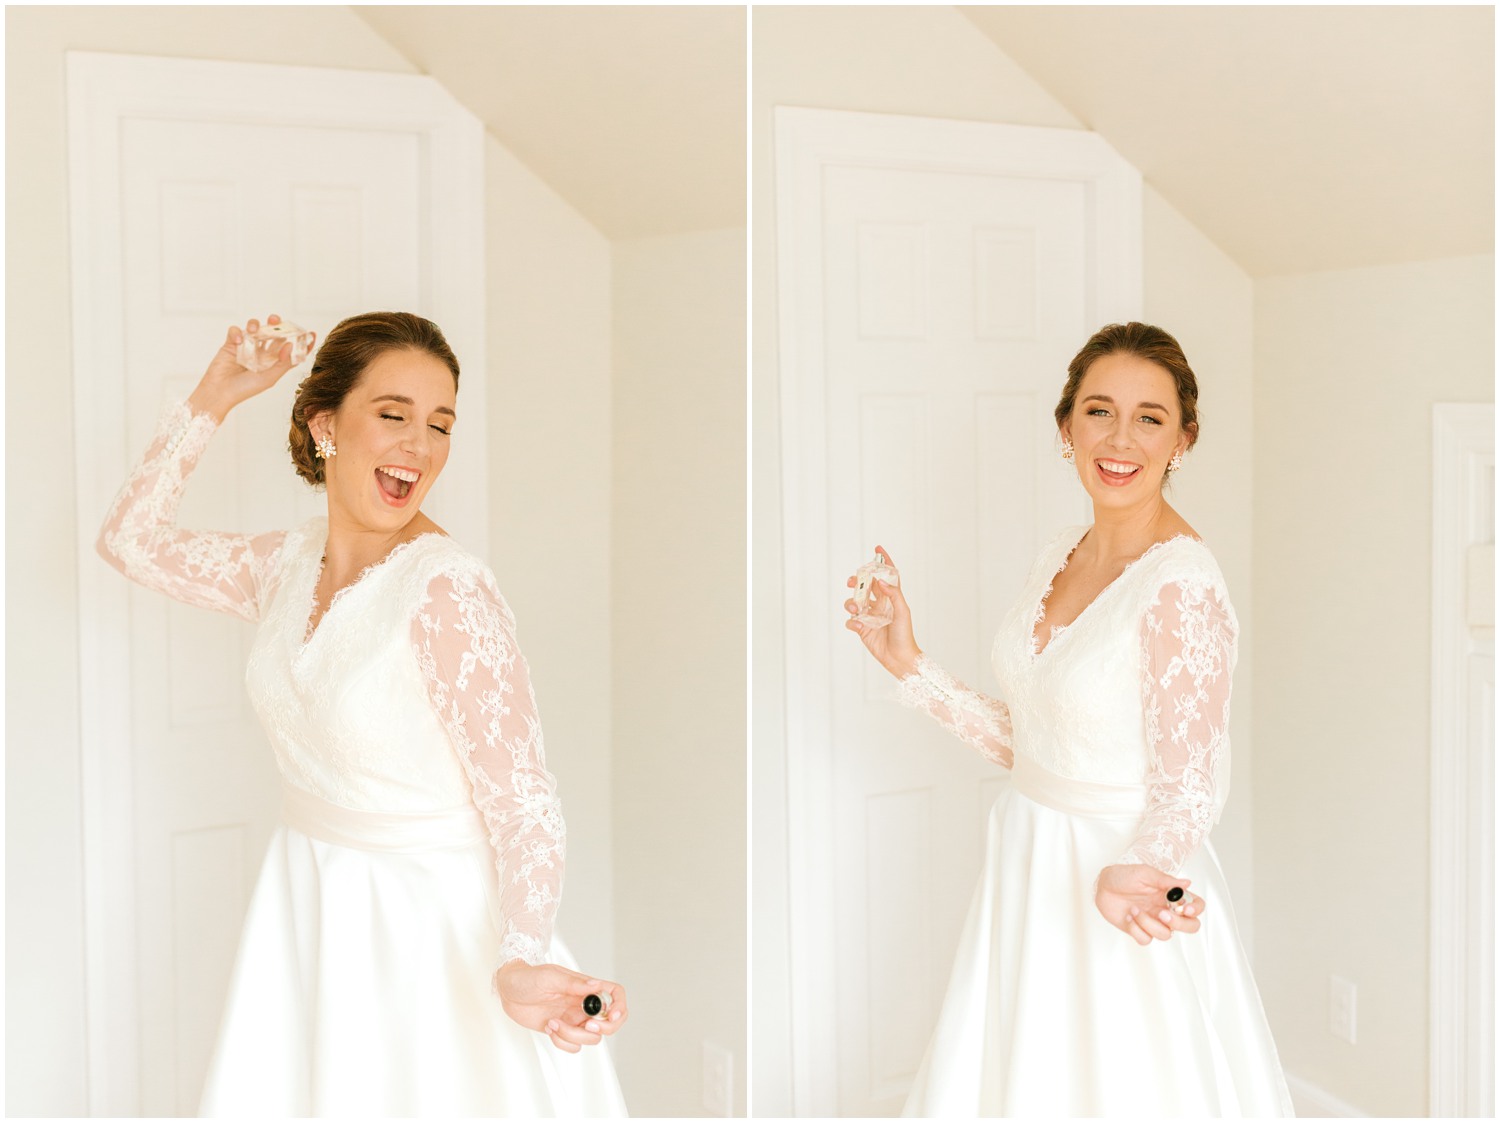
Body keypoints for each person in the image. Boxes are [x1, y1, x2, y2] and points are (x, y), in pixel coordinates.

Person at [98, 313, 628, 1116]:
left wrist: (521, 956)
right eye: (393, 414)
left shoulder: (446, 590)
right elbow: (129, 541)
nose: (419, 444)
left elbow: (524, 800)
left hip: (427, 934)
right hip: (310, 902)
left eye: (440, 424)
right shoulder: (284, 565)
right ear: (326, 425)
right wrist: (216, 393)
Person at [845, 323, 1292, 1117]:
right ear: (1065, 429)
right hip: (1028, 855)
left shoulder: (1179, 583)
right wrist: (911, 663)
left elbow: (1191, 782)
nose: (1120, 438)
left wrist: (1140, 870)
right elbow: (1043, 742)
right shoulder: (1062, 549)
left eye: (1150, 417)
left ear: (1183, 438)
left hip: (1119, 882)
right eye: (1099, 410)